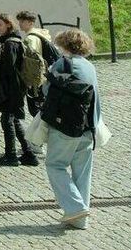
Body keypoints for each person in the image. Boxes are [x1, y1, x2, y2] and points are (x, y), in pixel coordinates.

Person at [43, 29, 103, 231]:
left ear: (64, 45)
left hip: (65, 126)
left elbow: (46, 90)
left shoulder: (62, 64)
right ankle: (79, 220)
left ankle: (76, 207)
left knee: (55, 165)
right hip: (88, 126)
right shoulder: (90, 66)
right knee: (83, 172)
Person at [0, 14, 37, 167]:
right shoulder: (13, 41)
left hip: (12, 87)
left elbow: (9, 69)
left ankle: (11, 155)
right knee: (13, 119)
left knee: (7, 120)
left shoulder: (10, 44)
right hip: (15, 86)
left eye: (0, 24)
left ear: (8, 25)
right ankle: (28, 153)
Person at [16, 11, 58, 119]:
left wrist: (29, 81)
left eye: (23, 21)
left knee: (36, 110)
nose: (20, 24)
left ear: (30, 23)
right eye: (19, 21)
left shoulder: (30, 39)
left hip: (37, 78)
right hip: (45, 75)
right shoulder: (40, 33)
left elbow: (32, 62)